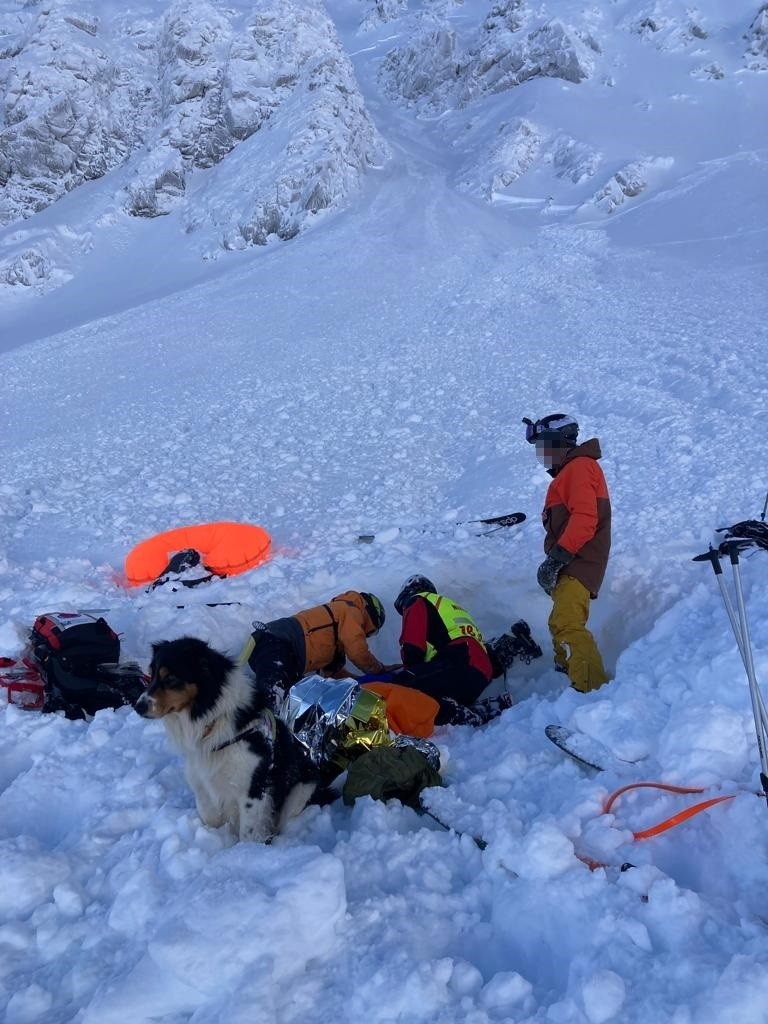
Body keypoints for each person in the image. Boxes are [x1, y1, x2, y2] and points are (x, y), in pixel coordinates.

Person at [523, 413, 611, 692]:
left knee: (568, 624)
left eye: (544, 447)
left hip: (578, 562)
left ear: (558, 442)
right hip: (573, 563)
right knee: (560, 622)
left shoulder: (579, 467)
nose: (542, 455)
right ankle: (570, 680)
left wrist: (557, 558)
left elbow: (585, 518)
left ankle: (590, 692)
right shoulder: (569, 473)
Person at [388, 575, 520, 725]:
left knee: (400, 688)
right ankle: (479, 709)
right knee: (434, 694)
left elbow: (412, 645)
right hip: (480, 672)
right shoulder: (451, 608)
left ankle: (455, 713)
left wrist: (410, 675)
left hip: (458, 661)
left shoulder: (418, 600)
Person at [241, 591, 390, 705]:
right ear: (372, 616)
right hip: (278, 643)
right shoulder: (351, 610)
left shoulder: (335, 636)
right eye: (372, 631)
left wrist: (364, 683)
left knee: (296, 702)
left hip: (278, 652)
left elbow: (335, 676)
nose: (366, 634)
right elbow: (358, 653)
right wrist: (379, 671)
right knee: (274, 700)